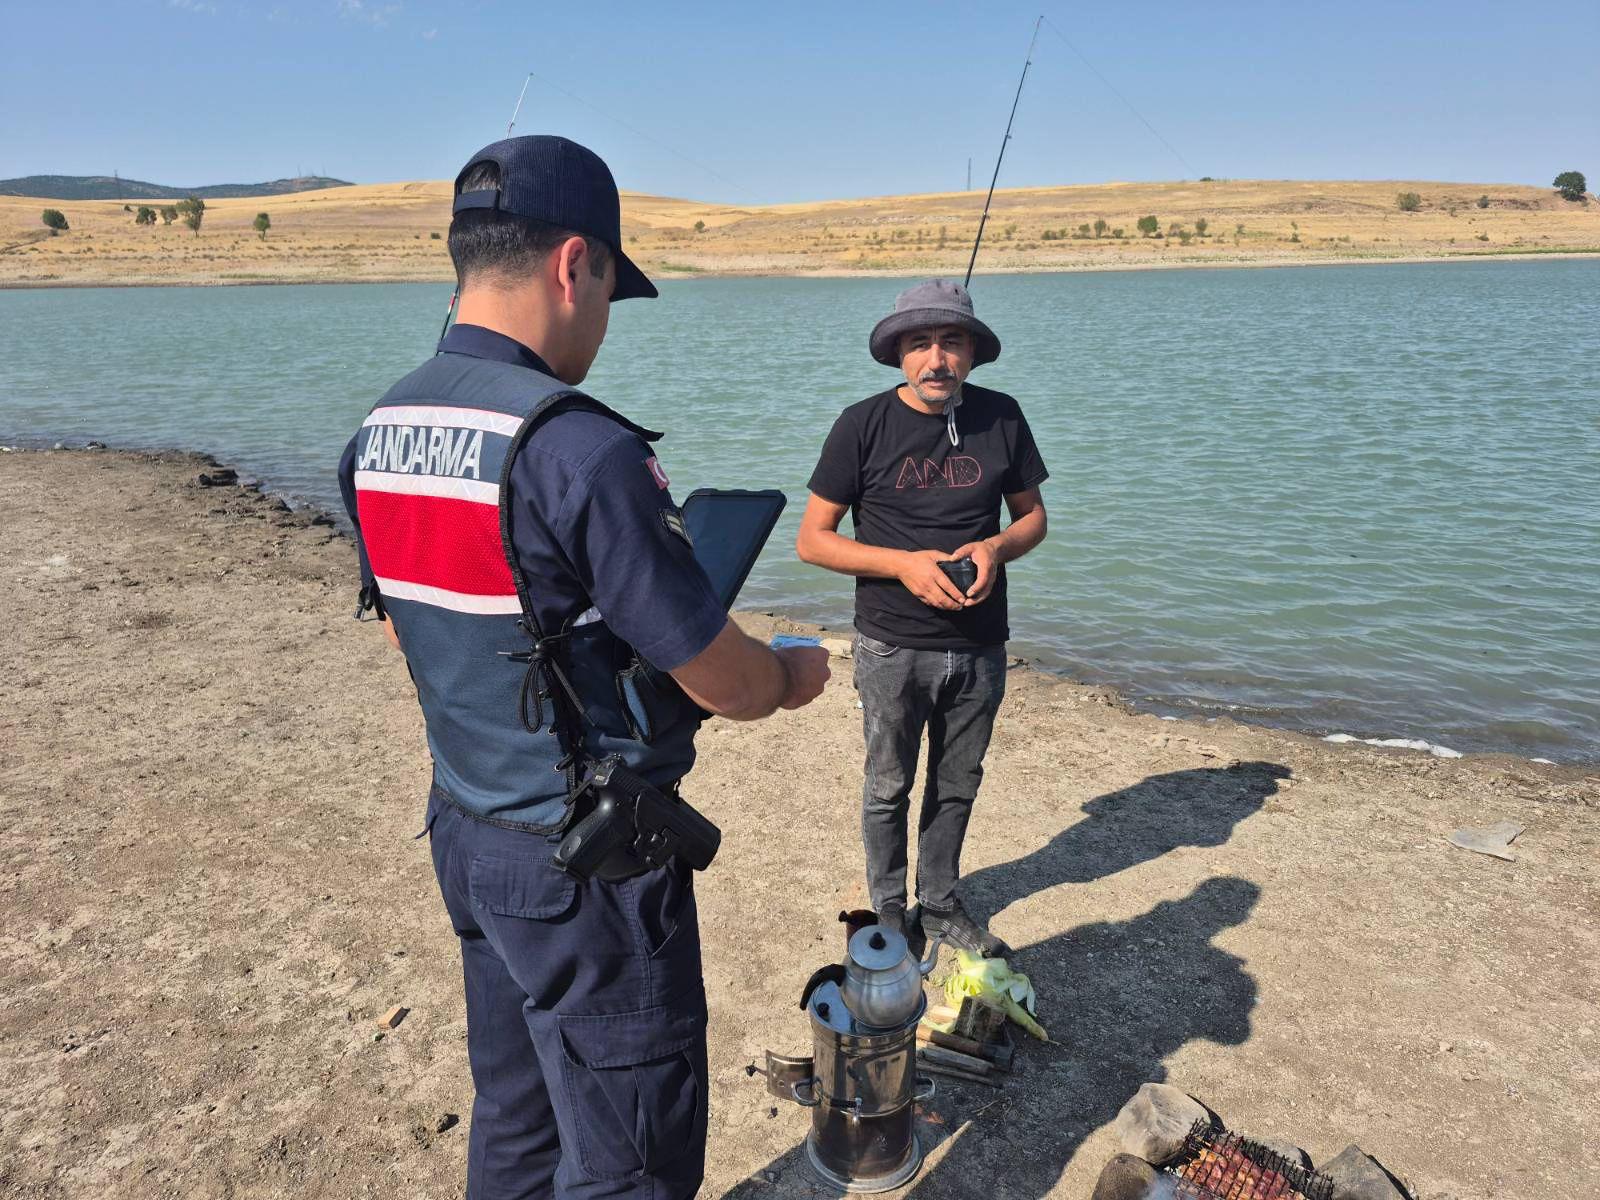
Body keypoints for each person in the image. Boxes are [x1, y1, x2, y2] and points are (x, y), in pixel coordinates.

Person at [337, 134, 829, 1200]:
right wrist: (790, 676)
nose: (604, 323)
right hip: (584, 864)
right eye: (609, 290)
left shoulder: (382, 427)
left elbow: (408, 633)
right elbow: (720, 679)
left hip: (467, 827)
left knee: (516, 1111)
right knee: (630, 1153)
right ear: (574, 266)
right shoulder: (582, 448)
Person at [796, 279, 1048, 957]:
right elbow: (813, 540)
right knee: (888, 784)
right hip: (891, 643)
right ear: (899, 354)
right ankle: (888, 910)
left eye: (951, 342)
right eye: (920, 343)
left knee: (958, 783)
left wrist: (995, 548)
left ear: (972, 352)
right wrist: (903, 565)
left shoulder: (1002, 416)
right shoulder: (861, 424)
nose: (936, 360)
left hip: (981, 642)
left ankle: (938, 904)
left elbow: (1032, 519)